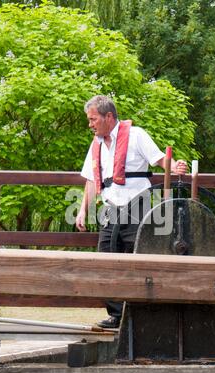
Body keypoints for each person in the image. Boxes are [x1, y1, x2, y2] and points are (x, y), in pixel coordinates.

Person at [76, 95, 187, 328]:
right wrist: (82, 211)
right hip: (111, 211)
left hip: (139, 209)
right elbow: (91, 180)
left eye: (93, 119)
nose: (90, 124)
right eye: (89, 120)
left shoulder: (136, 135)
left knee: (140, 262)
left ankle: (142, 316)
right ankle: (117, 316)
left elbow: (159, 160)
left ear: (108, 117)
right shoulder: (96, 144)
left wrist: (175, 165)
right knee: (106, 261)